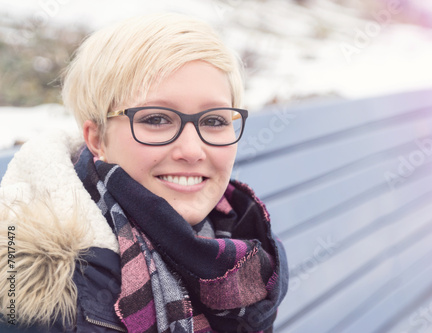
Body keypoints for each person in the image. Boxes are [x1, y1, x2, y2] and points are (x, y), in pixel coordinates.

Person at [0, 13, 288, 333]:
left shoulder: (242, 245)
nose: (192, 150)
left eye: (215, 120)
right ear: (97, 138)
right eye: (156, 119)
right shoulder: (36, 294)